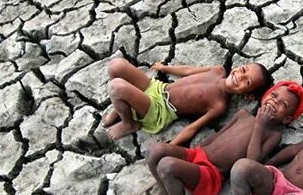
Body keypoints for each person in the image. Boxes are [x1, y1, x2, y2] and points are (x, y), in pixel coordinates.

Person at [142, 81, 303, 195]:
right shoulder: (243, 114)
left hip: (210, 173)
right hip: (197, 155)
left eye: (283, 105)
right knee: (154, 150)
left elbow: (252, 161)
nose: (274, 102)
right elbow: (218, 135)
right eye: (274, 95)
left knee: (167, 166)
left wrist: (260, 125)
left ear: (287, 119)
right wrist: (193, 154)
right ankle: (164, 189)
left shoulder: (273, 134)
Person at [102, 58, 272, 144]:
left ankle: (129, 122)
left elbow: (193, 128)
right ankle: (122, 105)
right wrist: (165, 68)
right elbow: (189, 71)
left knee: (117, 87)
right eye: (243, 69)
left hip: (158, 110)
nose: (239, 77)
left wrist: (173, 145)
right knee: (116, 66)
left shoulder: (219, 104)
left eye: (247, 82)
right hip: (159, 88)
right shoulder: (218, 70)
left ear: (248, 95)